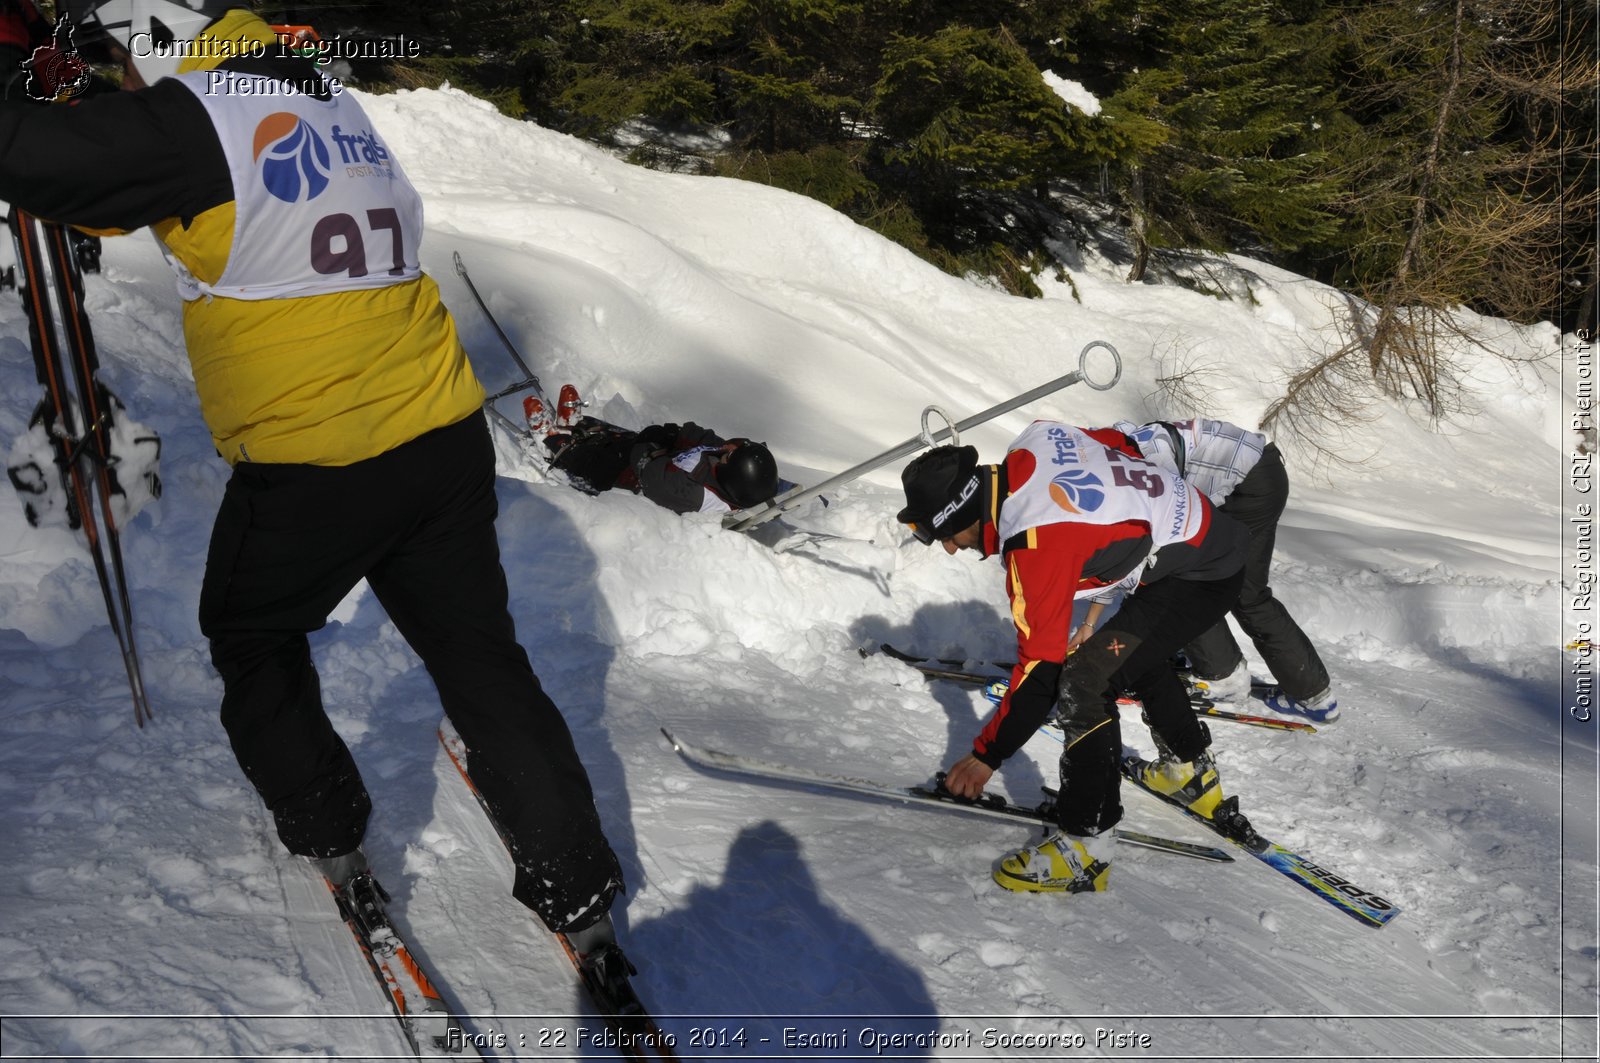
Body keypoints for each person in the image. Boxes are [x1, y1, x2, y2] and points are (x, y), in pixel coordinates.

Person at [0, 2, 626, 964]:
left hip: (317, 458)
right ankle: (575, 882)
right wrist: (93, 86)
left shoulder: (195, 118)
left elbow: (49, 164)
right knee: (480, 656)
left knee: (251, 631)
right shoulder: (326, 103)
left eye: (142, 64)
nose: (142, 80)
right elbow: (145, 166)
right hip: (440, 432)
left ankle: (327, 824)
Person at [897, 421, 1249, 894]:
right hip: (1201, 540)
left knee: (1085, 680)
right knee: (1128, 650)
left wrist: (987, 756)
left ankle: (1087, 844)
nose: (949, 546)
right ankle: (1190, 774)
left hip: (1198, 570)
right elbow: (1123, 445)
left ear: (964, 513)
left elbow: (1040, 672)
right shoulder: (1035, 439)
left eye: (943, 533)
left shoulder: (1033, 541)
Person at [1076, 417, 1338, 723]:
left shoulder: (1147, 463)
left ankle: (1223, 676)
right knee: (1247, 593)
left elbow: (1168, 532)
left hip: (1251, 487)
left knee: (1187, 577)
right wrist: (1091, 622)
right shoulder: (1118, 452)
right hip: (1261, 474)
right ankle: (1314, 696)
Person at [543, 414, 781, 515]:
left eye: (729, 456)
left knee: (601, 459)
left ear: (733, 475)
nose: (724, 452)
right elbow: (713, 443)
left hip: (632, 475)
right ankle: (571, 423)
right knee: (626, 440)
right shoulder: (727, 473)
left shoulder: (692, 494)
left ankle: (556, 443)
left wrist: (649, 444)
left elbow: (649, 471)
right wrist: (677, 433)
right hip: (665, 456)